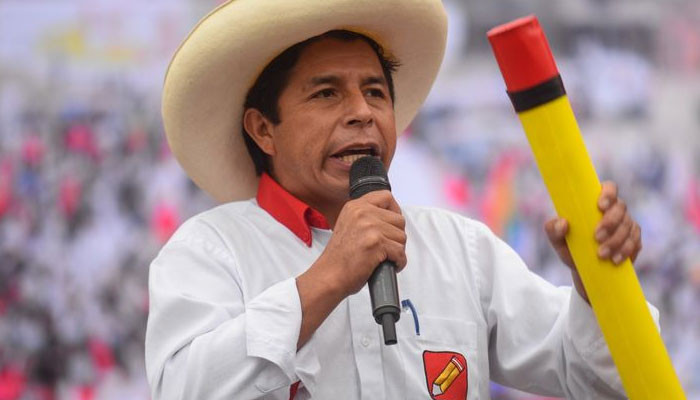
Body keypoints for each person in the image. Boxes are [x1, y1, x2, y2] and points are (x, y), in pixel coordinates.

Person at [145, 0, 655, 398]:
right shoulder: (209, 251)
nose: (362, 112)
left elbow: (595, 376)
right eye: (326, 93)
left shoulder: (460, 247)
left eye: (375, 92)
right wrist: (328, 277)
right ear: (263, 129)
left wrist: (597, 286)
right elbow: (183, 388)